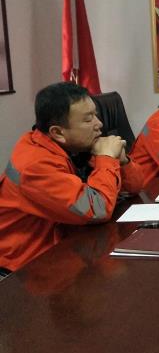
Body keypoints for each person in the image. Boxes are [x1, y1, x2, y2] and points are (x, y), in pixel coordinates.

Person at [0, 82, 143, 274]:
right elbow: (98, 210)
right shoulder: (35, 166)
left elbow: (135, 187)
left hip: (66, 243)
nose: (99, 124)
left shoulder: (74, 146)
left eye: (96, 115)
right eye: (88, 119)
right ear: (58, 132)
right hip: (25, 266)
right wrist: (107, 158)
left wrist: (123, 161)